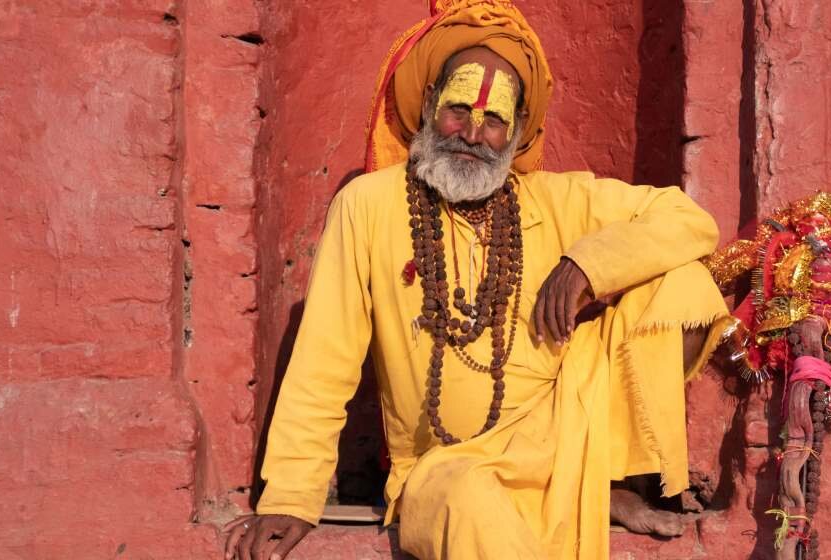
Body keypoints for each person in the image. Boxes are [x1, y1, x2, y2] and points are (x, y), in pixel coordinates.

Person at [225, 1, 729, 558]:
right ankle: (580, 491)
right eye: (458, 109)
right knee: (467, 495)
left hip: (559, 436)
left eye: (494, 121)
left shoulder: (553, 200)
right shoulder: (368, 205)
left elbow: (689, 220)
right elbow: (325, 358)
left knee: (686, 287)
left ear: (515, 134)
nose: (472, 133)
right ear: (426, 105)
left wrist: (587, 265)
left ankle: (597, 475)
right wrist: (291, 496)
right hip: (445, 467)